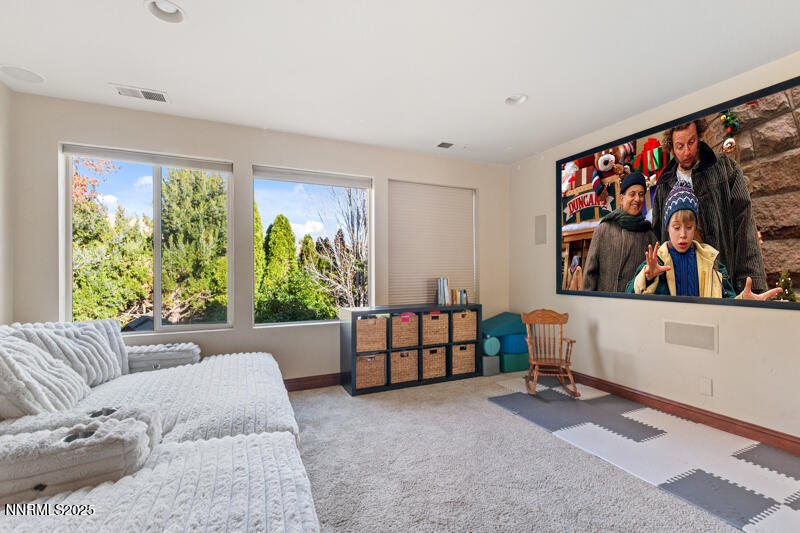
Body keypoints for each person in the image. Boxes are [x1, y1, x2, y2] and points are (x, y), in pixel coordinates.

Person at [651, 118, 767, 294]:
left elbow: (745, 230)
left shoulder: (725, 168)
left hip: (724, 285)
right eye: (680, 146)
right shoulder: (663, 187)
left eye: (691, 142)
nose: (687, 151)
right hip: (681, 288)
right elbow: (659, 242)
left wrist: (753, 285)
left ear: (699, 136)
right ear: (671, 147)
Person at [627, 181, 781, 300]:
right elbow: (629, 296)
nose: (682, 234)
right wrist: (646, 277)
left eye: (688, 227)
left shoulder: (712, 263)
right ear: (667, 227)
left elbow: (727, 302)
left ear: (695, 227)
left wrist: (742, 301)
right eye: (676, 227)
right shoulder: (655, 262)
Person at [581, 172, 658, 292]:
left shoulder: (649, 236)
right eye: (632, 194)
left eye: (641, 194)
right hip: (604, 306)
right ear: (622, 199)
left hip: (634, 307)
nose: (637, 199)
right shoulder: (604, 230)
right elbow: (590, 274)